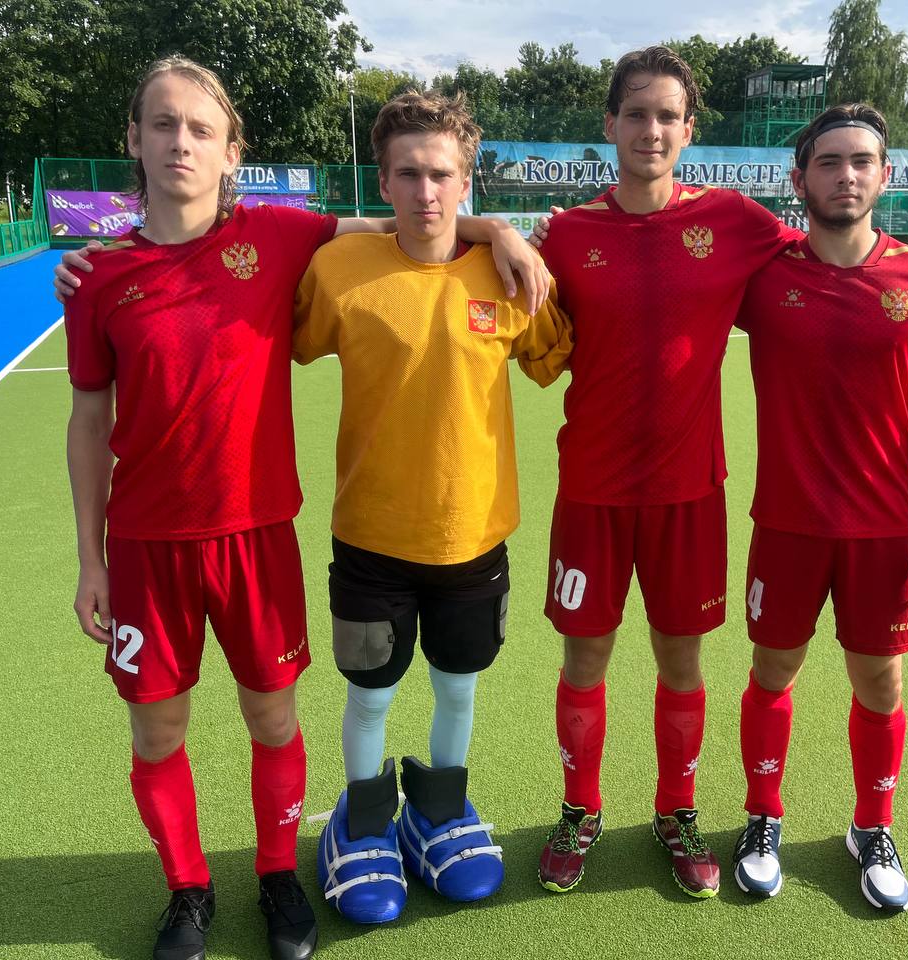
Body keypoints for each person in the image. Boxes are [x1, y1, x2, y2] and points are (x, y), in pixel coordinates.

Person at [60, 57, 546, 960]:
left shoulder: (279, 235)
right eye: (163, 124)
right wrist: (90, 559)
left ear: (231, 151)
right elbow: (89, 423)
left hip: (258, 536)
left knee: (275, 721)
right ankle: (188, 892)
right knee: (158, 728)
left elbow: (413, 218)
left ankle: (279, 875)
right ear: (133, 138)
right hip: (147, 546)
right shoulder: (97, 277)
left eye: (201, 129)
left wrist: (500, 228)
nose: (180, 143)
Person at [527, 46, 908, 899]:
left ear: (689, 130)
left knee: (684, 663)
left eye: (668, 116)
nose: (652, 130)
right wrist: (500, 233)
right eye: (637, 114)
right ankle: (579, 809)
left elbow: (843, 250)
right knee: (585, 656)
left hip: (690, 491)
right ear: (610, 125)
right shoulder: (566, 233)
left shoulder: (737, 224)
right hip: (590, 488)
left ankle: (678, 812)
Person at [293, 90, 570, 925]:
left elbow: (558, 357)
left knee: (458, 688)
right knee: (371, 695)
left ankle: (440, 809)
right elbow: (275, 325)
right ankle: (363, 819)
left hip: (473, 537)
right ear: (382, 182)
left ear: (465, 180)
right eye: (408, 174)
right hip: (371, 536)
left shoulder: (508, 274)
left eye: (442, 174)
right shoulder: (339, 271)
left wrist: (506, 237)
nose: (426, 191)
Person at [729, 103, 908, 912]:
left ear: (885, 174)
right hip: (786, 524)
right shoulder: (763, 271)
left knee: (880, 679)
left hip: (882, 530)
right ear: (799, 178)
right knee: (774, 671)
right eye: (829, 162)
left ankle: (872, 828)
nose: (847, 175)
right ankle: (762, 817)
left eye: (861, 161)